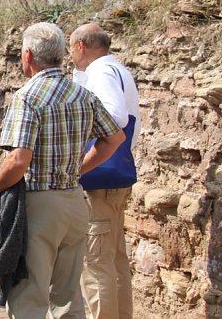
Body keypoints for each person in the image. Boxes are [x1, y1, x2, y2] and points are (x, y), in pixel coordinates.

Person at [0, 22, 124, 319]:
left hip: (38, 202)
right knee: (67, 295)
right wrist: (78, 169)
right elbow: (114, 138)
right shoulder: (82, 94)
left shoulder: (27, 96)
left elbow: (18, 160)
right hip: (74, 200)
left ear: (28, 55)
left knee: (29, 294)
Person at [70, 24, 141, 319]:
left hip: (98, 177)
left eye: (71, 49)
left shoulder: (101, 72)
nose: (70, 56)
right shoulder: (118, 70)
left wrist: (84, 156)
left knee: (95, 264)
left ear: (81, 46)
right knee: (115, 260)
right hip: (115, 174)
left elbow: (115, 116)